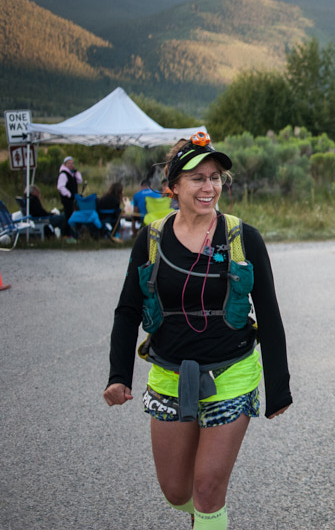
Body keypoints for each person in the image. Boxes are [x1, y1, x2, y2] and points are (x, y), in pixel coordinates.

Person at [103, 134, 292, 529]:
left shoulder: (242, 238)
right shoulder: (151, 239)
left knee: (207, 488)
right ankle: (208, 518)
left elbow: (270, 314)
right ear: (173, 187)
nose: (210, 188)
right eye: (198, 179)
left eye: (216, 178)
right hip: (169, 371)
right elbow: (127, 310)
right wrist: (118, 375)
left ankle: (210, 516)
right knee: (177, 490)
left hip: (232, 372)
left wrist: (279, 387)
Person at [56, 156, 84, 220]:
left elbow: (80, 180)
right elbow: (60, 187)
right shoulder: (64, 174)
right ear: (65, 164)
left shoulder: (72, 174)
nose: (71, 165)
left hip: (72, 199)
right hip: (67, 199)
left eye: (72, 163)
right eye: (69, 163)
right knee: (68, 215)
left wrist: (76, 172)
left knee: (72, 214)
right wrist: (69, 194)